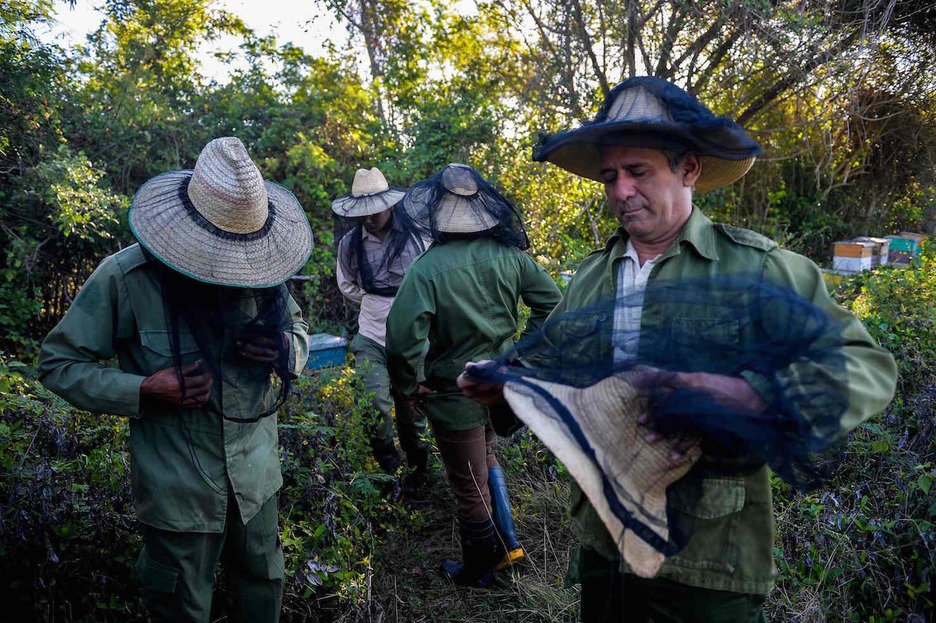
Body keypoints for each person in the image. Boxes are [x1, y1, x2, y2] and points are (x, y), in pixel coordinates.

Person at [458, 77, 897, 621]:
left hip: (708, 561)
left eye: (638, 172)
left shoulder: (755, 267)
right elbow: (555, 370)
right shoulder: (592, 278)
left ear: (688, 169)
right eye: (610, 176)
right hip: (604, 547)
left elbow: (867, 366)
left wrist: (746, 393)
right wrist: (503, 388)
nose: (621, 191)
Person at [37, 137, 313, 623]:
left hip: (256, 482)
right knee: (182, 608)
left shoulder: (266, 272)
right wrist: (144, 389)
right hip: (178, 493)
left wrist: (283, 350)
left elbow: (298, 330)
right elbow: (58, 364)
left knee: (264, 589)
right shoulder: (127, 277)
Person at [385, 163, 562, 588]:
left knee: (467, 483)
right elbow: (554, 304)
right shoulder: (511, 256)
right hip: (501, 388)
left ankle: (481, 569)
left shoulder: (427, 270)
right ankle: (507, 543)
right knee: (486, 454)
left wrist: (410, 386)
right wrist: (519, 357)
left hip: (452, 392)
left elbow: (400, 341)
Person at [332, 167, 430, 479]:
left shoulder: (417, 239)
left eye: (376, 211)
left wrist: (407, 306)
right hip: (371, 333)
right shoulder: (350, 244)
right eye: (364, 212)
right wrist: (376, 301)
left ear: (389, 205)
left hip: (413, 335)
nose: (370, 217)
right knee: (372, 403)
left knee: (412, 407)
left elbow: (433, 279)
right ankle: (389, 469)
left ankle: (419, 470)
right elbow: (346, 283)